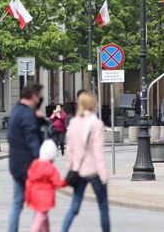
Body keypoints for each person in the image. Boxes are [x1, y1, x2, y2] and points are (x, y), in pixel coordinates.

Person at [61, 91, 109, 232]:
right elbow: (98, 152)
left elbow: (69, 150)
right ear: (92, 104)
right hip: (94, 171)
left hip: (79, 170)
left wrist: (70, 169)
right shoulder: (96, 124)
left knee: (74, 207)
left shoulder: (74, 123)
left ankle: (63, 230)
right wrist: (103, 174)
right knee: (103, 208)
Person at [7, 83, 47, 232]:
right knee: (39, 202)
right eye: (39, 96)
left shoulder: (17, 110)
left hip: (16, 165)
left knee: (17, 202)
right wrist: (40, 160)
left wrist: (39, 119)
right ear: (33, 96)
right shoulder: (27, 114)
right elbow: (32, 139)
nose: (39, 100)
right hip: (29, 166)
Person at [25, 139, 66, 232]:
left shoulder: (34, 165)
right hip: (45, 198)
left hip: (34, 196)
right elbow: (57, 183)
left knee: (44, 218)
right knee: (40, 218)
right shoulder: (51, 168)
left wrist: (27, 197)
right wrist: (67, 181)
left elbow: (29, 182)